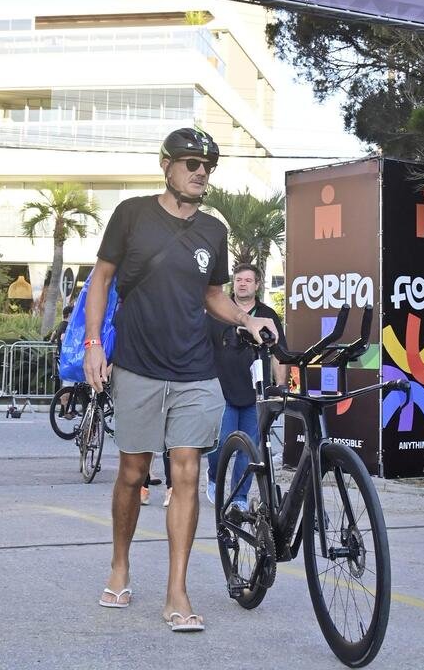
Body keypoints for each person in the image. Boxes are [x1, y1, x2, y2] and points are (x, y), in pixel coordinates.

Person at [84, 127, 277, 632]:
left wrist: (246, 319)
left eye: (207, 166)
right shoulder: (131, 214)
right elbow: (102, 278)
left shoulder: (213, 230)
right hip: (138, 364)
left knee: (187, 471)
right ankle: (120, 565)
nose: (201, 172)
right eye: (192, 163)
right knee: (133, 472)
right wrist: (93, 344)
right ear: (166, 166)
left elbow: (212, 294)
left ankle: (177, 591)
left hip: (194, 368)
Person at [206, 263, 287, 510]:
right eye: (239, 279)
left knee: (249, 450)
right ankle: (213, 476)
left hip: (256, 395)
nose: (242, 284)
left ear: (257, 285)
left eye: (248, 280)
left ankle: (239, 498)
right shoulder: (218, 311)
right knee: (221, 444)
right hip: (222, 392)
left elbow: (278, 354)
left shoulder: (267, 316)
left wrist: (280, 387)